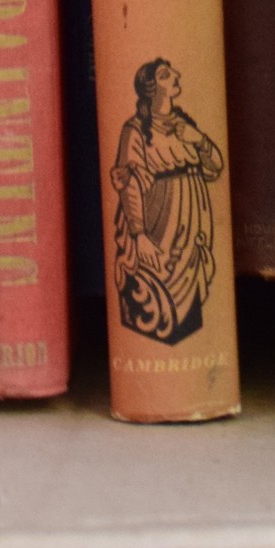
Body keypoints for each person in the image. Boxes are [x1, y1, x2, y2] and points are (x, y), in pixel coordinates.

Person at [108, 56, 223, 346]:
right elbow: (128, 184)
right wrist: (139, 235)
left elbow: (216, 167)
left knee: (189, 310)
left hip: (192, 222)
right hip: (159, 218)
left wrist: (199, 139)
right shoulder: (133, 130)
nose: (175, 75)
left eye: (172, 71)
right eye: (164, 74)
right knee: (157, 294)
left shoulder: (184, 125)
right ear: (149, 88)